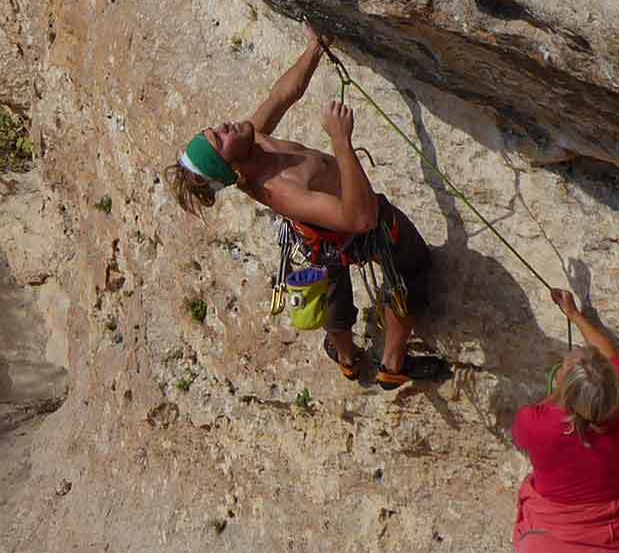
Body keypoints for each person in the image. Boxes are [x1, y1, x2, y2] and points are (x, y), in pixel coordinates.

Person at [162, 28, 438, 389]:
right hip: (352, 224)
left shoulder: (251, 140)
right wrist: (341, 140)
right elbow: (361, 218)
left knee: (333, 288)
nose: (224, 126)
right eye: (219, 138)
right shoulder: (280, 190)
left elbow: (282, 95)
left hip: (318, 236)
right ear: (231, 169)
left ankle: (346, 357)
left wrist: (315, 48)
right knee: (411, 269)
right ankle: (392, 363)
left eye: (213, 130)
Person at [511, 289, 619, 553]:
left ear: (566, 390)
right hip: (607, 543)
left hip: (545, 542)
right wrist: (575, 316)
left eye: (564, 368)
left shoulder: (535, 423)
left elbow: (536, 416)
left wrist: (558, 392)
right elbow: (611, 356)